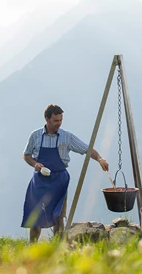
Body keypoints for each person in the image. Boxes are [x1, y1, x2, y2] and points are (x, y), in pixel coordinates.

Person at [21, 104, 109, 243]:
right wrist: (35, 164)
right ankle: (33, 247)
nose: (59, 123)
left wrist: (99, 158)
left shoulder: (66, 137)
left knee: (59, 216)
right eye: (56, 120)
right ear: (47, 119)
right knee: (36, 217)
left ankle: (57, 246)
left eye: (61, 120)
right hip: (39, 181)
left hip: (59, 181)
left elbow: (86, 149)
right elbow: (26, 155)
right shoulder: (36, 136)